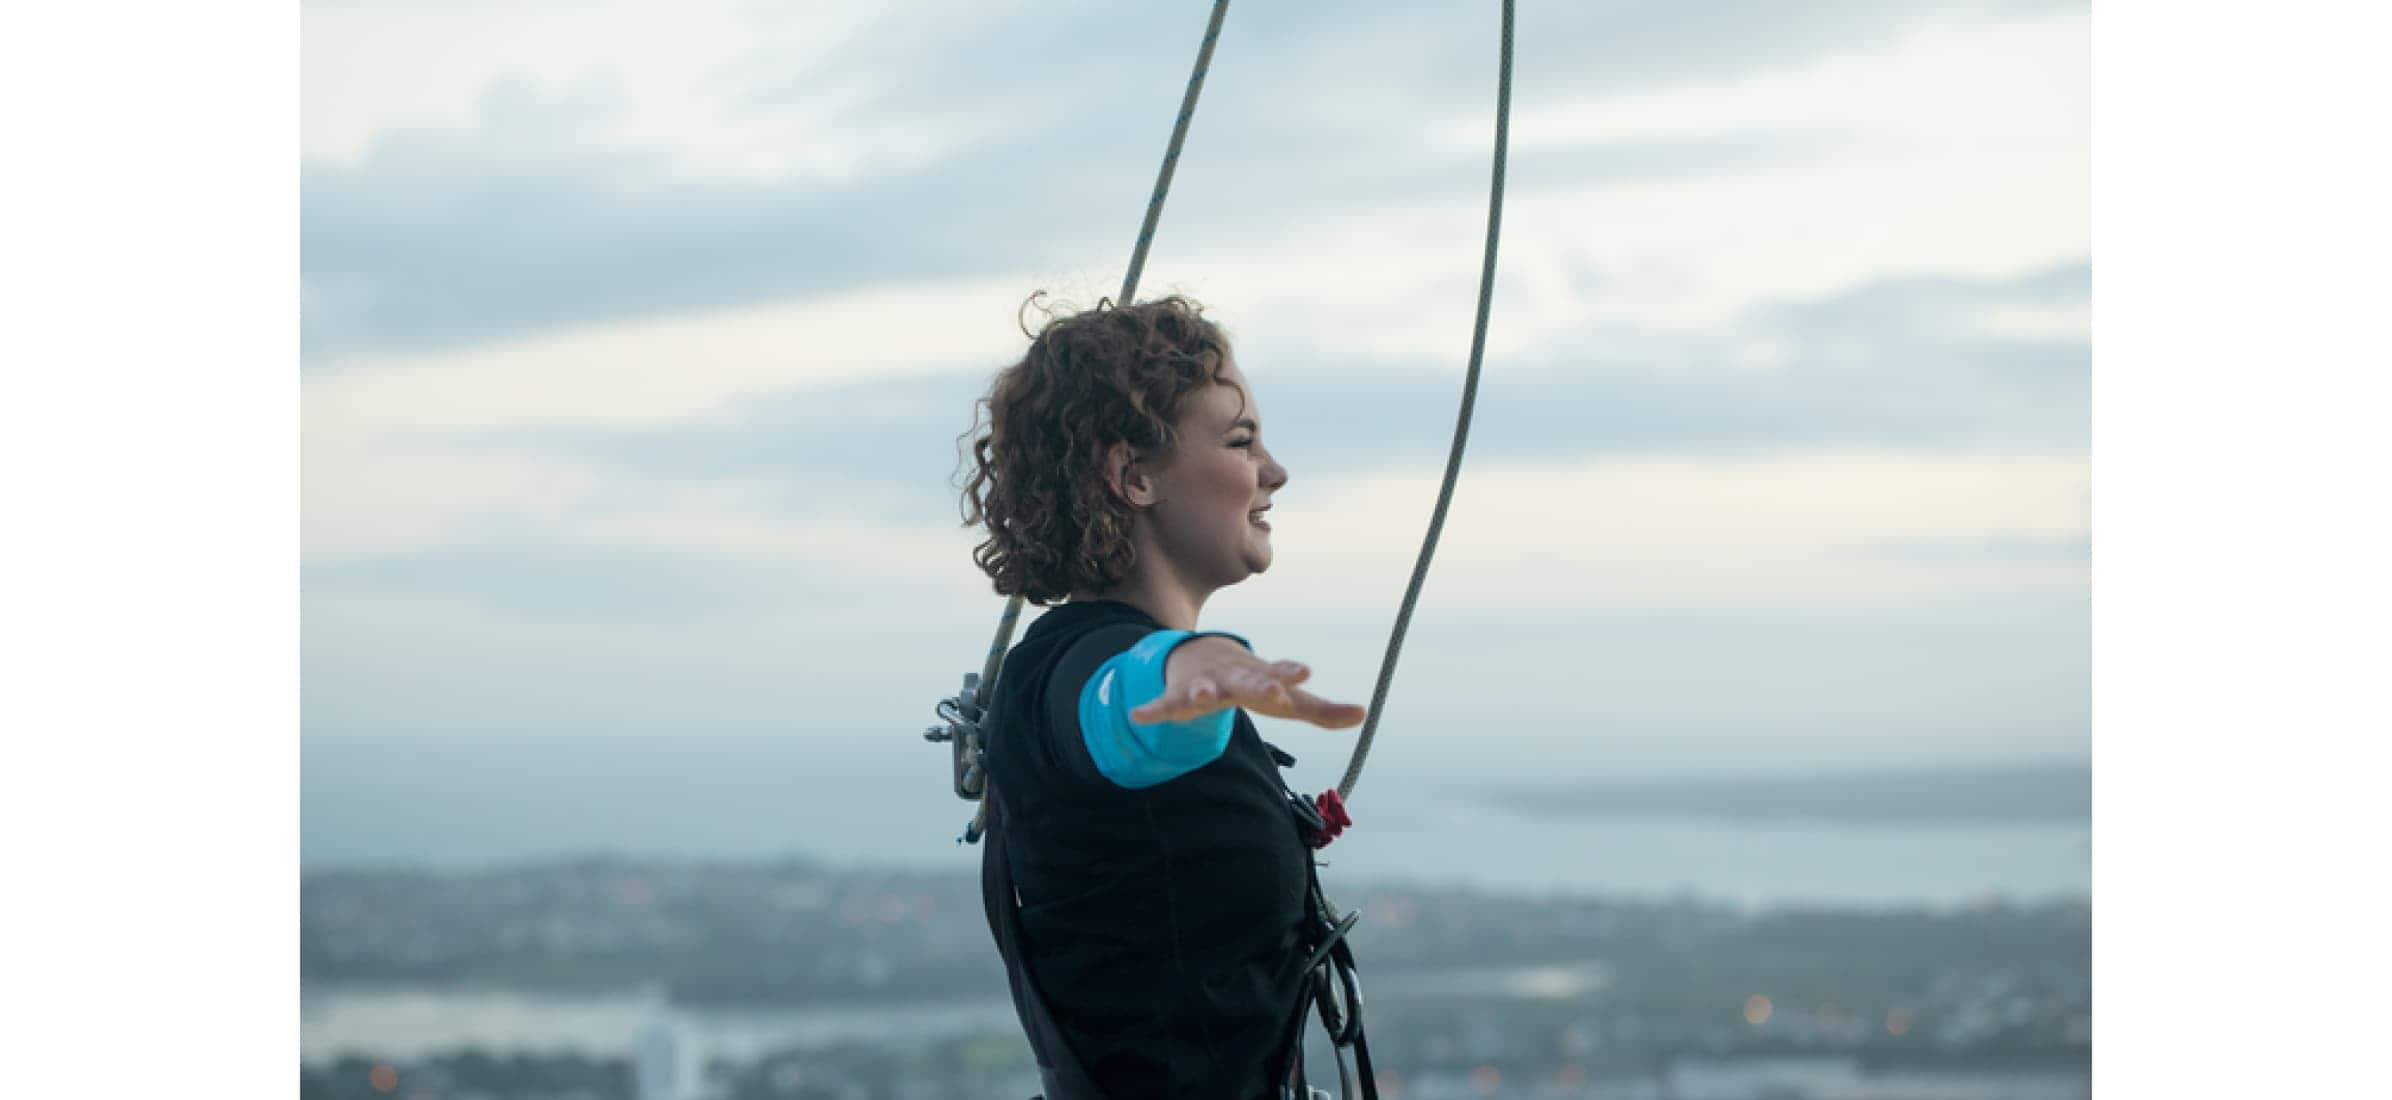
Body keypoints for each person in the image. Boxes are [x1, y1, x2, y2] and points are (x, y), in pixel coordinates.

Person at [957, 294, 1371, 1098]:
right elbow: (1120, 711)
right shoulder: (1075, 668)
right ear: (1133, 475)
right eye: (1242, 441)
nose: (1275, 473)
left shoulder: (1082, 659)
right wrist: (1188, 677)